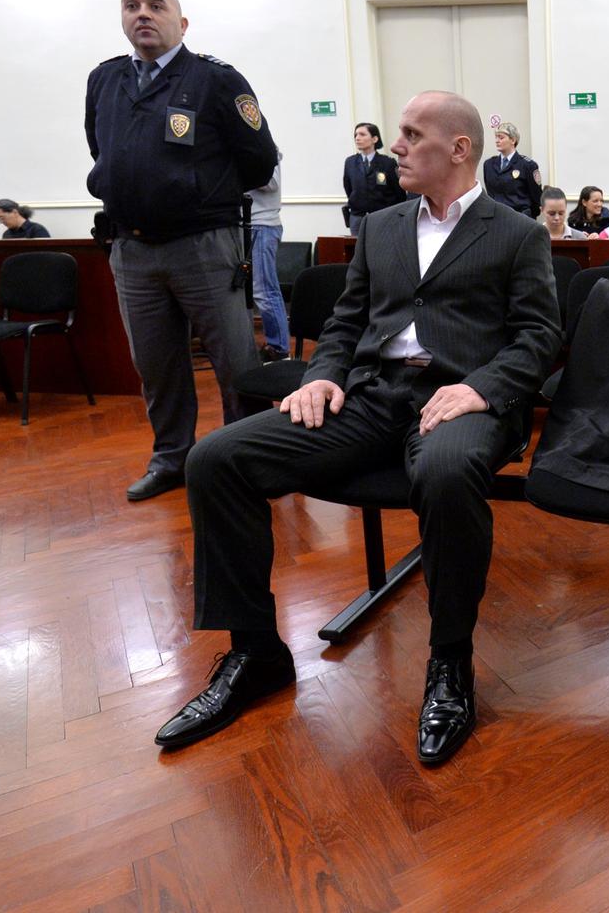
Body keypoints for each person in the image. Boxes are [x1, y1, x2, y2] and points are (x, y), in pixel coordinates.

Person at [154, 90, 561, 763]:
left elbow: (540, 336)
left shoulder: (517, 233)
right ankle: (255, 652)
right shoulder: (381, 227)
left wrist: (481, 388)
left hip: (456, 399)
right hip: (371, 395)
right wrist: (322, 375)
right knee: (215, 460)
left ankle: (450, 662)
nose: (395, 145)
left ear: (459, 149)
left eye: (412, 134)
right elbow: (346, 323)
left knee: (447, 470)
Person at [86, 0, 278, 502]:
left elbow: (259, 159)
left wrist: (200, 192)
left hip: (204, 244)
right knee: (156, 365)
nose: (142, 14)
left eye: (156, 6)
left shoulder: (215, 79)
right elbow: (101, 150)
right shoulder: (104, 79)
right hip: (131, 249)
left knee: (235, 362)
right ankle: (171, 459)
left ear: (182, 23)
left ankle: (249, 459)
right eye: (131, 6)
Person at [249, 155, 289, 361]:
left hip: (262, 225)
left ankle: (279, 349)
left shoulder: (262, 146)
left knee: (264, 291)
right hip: (245, 225)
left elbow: (271, 183)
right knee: (245, 292)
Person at [343, 122, 404, 235]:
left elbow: (399, 192)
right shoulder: (350, 162)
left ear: (375, 139)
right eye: (356, 135)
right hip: (358, 218)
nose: (357, 138)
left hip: (382, 216)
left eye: (362, 134)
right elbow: (348, 188)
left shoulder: (387, 163)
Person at [482, 121, 543, 218]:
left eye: (501, 137)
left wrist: (527, 217)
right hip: (496, 218)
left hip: (520, 218)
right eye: (496, 137)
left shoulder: (528, 165)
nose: (497, 141)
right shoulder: (489, 165)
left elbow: (537, 198)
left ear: (513, 140)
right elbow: (491, 194)